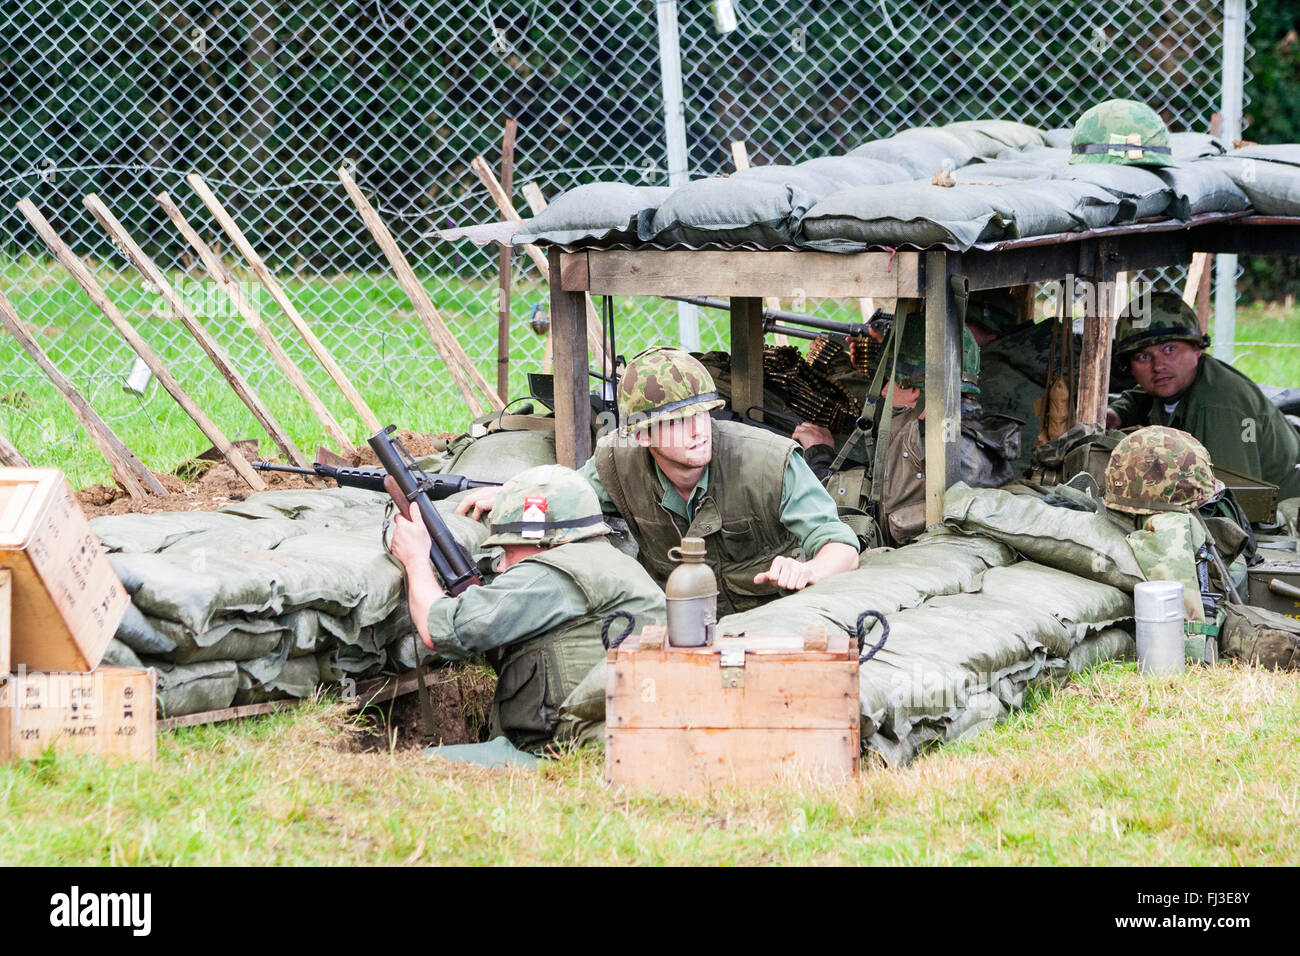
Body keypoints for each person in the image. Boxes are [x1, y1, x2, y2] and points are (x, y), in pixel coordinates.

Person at [459, 346, 860, 615]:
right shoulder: (618, 463)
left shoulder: (767, 461)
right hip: (673, 621)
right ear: (642, 435)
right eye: (679, 422)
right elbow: (569, 499)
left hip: (769, 616)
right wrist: (515, 496)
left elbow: (841, 545)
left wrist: (808, 571)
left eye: (703, 414)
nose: (699, 430)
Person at [390, 464, 665, 751]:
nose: (504, 564)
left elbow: (440, 628)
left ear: (545, 543)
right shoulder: (609, 560)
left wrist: (415, 559)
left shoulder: (553, 573)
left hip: (576, 754)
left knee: (424, 765)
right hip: (621, 742)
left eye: (509, 550)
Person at [798, 312, 1019, 546]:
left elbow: (858, 516)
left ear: (915, 390)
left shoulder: (923, 439)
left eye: (889, 382)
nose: (883, 392)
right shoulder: (973, 429)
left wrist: (819, 452)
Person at [1104, 292, 1300, 500]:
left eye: (1169, 349)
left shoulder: (1219, 409)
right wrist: (1119, 412)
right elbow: (1142, 396)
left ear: (1197, 348)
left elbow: (1232, 505)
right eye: (1143, 356)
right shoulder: (1179, 381)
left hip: (1284, 515)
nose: (1158, 365)